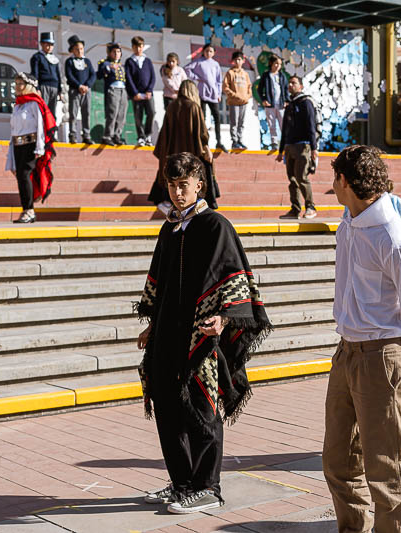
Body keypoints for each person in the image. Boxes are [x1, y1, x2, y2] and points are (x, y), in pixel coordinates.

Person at [136, 152, 272, 515]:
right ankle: (181, 483)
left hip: (201, 334)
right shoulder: (169, 228)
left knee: (202, 407)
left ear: (200, 184)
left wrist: (225, 320)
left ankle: (208, 487)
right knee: (167, 407)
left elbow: (236, 278)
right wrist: (152, 324)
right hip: (167, 334)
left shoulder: (216, 226)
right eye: (172, 185)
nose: (178, 193)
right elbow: (161, 282)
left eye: (184, 185)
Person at [323, 145, 401, 533]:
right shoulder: (349, 224)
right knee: (338, 459)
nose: (332, 186)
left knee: (388, 469)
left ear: (344, 181)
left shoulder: (392, 237)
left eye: (334, 178)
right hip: (347, 350)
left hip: (383, 353)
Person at [149, 79, 219, 213]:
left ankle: (167, 202)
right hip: (191, 153)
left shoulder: (171, 106)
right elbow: (202, 132)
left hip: (172, 152)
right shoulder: (194, 107)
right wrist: (205, 147)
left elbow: (165, 132)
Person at [5, 73, 56, 224]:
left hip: (31, 145)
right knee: (20, 176)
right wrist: (10, 152)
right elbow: (13, 130)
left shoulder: (34, 103)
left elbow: (41, 125)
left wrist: (40, 148)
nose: (17, 86)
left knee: (24, 175)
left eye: (20, 83)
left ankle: (29, 211)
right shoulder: (17, 106)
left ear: (28, 86)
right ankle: (27, 210)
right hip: (17, 145)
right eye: (16, 83)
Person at [276, 76, 318, 220]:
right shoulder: (290, 105)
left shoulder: (306, 102)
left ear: (301, 86)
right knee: (292, 180)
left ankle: (310, 207)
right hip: (289, 146)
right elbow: (284, 129)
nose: (290, 85)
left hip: (303, 145)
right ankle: (295, 209)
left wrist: (314, 148)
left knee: (302, 177)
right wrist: (281, 150)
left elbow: (311, 125)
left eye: (294, 83)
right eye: (289, 83)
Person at [185, 43, 227, 152]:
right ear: (203, 52)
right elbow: (187, 69)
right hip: (202, 93)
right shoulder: (199, 62)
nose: (208, 53)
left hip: (213, 94)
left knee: (217, 117)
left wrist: (218, 94)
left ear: (214, 53)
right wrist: (196, 77)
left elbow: (219, 81)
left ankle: (219, 141)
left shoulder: (215, 64)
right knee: (202, 118)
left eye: (211, 51)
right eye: (207, 51)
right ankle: (202, 142)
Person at [125, 36, 156, 147]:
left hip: (148, 94)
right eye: (136, 47)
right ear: (132, 47)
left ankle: (148, 135)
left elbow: (153, 77)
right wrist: (135, 93)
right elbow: (128, 78)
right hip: (137, 95)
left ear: (143, 47)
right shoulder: (129, 61)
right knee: (138, 116)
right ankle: (141, 137)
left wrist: (149, 90)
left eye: (140, 46)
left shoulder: (147, 61)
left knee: (151, 112)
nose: (138, 49)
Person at [64, 34, 95, 144]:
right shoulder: (69, 61)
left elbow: (93, 74)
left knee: (86, 113)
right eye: (77, 49)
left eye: (81, 49)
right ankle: (72, 134)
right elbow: (69, 75)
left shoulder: (87, 61)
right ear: (72, 50)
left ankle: (86, 134)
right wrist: (79, 86)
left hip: (86, 90)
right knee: (73, 113)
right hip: (75, 90)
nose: (79, 51)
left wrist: (87, 85)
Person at [97, 42, 128, 146]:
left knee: (121, 114)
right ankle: (107, 135)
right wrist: (109, 67)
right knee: (112, 113)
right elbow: (100, 74)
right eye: (114, 52)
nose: (116, 54)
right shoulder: (105, 63)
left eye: (118, 52)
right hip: (113, 89)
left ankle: (117, 135)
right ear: (109, 53)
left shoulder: (122, 65)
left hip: (123, 89)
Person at [258, 54, 288, 150]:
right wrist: (263, 100)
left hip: (281, 104)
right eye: (276, 63)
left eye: (280, 64)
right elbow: (260, 89)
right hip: (270, 104)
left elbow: (286, 89)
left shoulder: (282, 76)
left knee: (283, 124)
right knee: (272, 124)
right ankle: (274, 142)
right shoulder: (266, 75)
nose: (278, 66)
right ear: (271, 63)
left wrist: (286, 101)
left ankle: (286, 142)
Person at [222, 51, 252, 150]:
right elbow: (225, 87)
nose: (238, 62)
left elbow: (249, 87)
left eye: (239, 59)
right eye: (236, 60)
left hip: (243, 102)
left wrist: (247, 96)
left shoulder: (245, 74)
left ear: (243, 61)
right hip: (234, 102)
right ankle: (234, 141)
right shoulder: (230, 73)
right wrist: (235, 95)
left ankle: (240, 140)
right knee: (234, 122)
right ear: (233, 61)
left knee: (241, 122)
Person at [30, 32, 61, 121]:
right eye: (47, 44)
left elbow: (58, 75)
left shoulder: (54, 59)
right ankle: (42, 129)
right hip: (43, 86)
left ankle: (51, 129)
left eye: (52, 44)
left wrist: (60, 90)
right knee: (43, 110)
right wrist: (37, 88)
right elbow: (35, 74)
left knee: (52, 112)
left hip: (54, 88)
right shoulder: (37, 57)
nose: (50, 47)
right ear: (42, 44)